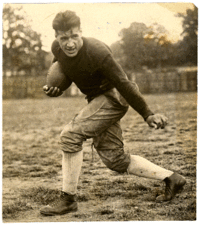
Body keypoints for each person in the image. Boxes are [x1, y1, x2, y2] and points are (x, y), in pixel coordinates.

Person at [40, 10, 186, 216]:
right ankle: (172, 178)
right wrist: (57, 90)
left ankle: (68, 199)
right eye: (64, 38)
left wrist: (147, 113)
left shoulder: (98, 51)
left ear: (81, 32)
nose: (70, 43)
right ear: (56, 37)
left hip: (114, 96)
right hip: (96, 100)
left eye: (74, 36)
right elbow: (69, 72)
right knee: (116, 161)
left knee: (70, 135)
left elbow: (124, 84)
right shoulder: (58, 50)